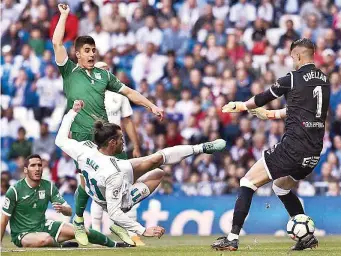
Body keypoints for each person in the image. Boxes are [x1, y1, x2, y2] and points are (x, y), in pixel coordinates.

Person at [52, 4, 164, 246]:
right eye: (87, 50)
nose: (92, 54)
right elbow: (57, 43)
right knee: (86, 179)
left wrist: (150, 106)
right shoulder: (69, 71)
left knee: (124, 178)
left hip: (108, 135)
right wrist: (63, 16)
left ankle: (117, 221)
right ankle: (80, 220)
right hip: (82, 136)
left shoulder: (104, 76)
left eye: (94, 50)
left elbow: (129, 92)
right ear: (78, 54)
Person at [211, 39, 331, 251]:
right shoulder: (324, 80)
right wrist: (272, 114)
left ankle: (232, 238)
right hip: (313, 153)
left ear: (297, 56)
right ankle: (306, 237)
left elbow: (262, 97)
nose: (292, 61)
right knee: (281, 187)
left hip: (292, 148)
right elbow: (304, 110)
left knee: (247, 181)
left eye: (292, 57)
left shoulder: (292, 78)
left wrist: (241, 106)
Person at [55, 100, 226, 245]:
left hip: (102, 181)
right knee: (157, 173)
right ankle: (119, 225)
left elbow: (60, 139)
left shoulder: (84, 149)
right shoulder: (113, 172)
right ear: (112, 143)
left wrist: (72, 112)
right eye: (121, 138)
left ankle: (202, 147)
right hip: (112, 198)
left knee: (155, 161)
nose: (124, 142)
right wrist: (143, 230)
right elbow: (115, 212)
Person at [0, 154, 130, 248]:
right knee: (45, 240)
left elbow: (68, 211)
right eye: (33, 165)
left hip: (43, 226)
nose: (38, 168)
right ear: (25, 170)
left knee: (82, 231)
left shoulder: (48, 186)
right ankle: (60, 245)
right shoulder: (15, 190)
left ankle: (115, 245)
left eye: (40, 165)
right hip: (23, 234)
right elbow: (4, 219)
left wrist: (63, 209)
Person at [93, 61, 144, 246]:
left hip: (119, 149)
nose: (106, 72)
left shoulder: (120, 95)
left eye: (108, 70)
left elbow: (128, 122)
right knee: (97, 192)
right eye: (102, 70)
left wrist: (136, 146)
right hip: (98, 150)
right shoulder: (90, 95)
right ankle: (96, 235)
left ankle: (133, 235)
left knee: (127, 189)